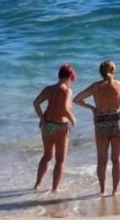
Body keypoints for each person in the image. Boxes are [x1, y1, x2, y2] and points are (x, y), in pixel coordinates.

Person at [73, 60, 120, 196]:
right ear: (114, 71)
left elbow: (76, 99)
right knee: (117, 159)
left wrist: (92, 108)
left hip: (101, 123)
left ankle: (102, 190)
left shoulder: (95, 87)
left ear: (100, 73)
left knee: (102, 160)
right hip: (118, 122)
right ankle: (115, 191)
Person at [33, 63, 77, 192]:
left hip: (48, 125)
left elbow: (36, 103)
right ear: (70, 77)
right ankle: (55, 189)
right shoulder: (67, 90)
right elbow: (64, 108)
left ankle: (37, 184)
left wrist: (42, 118)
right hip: (60, 127)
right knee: (60, 160)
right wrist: (72, 118)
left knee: (46, 156)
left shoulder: (48, 89)